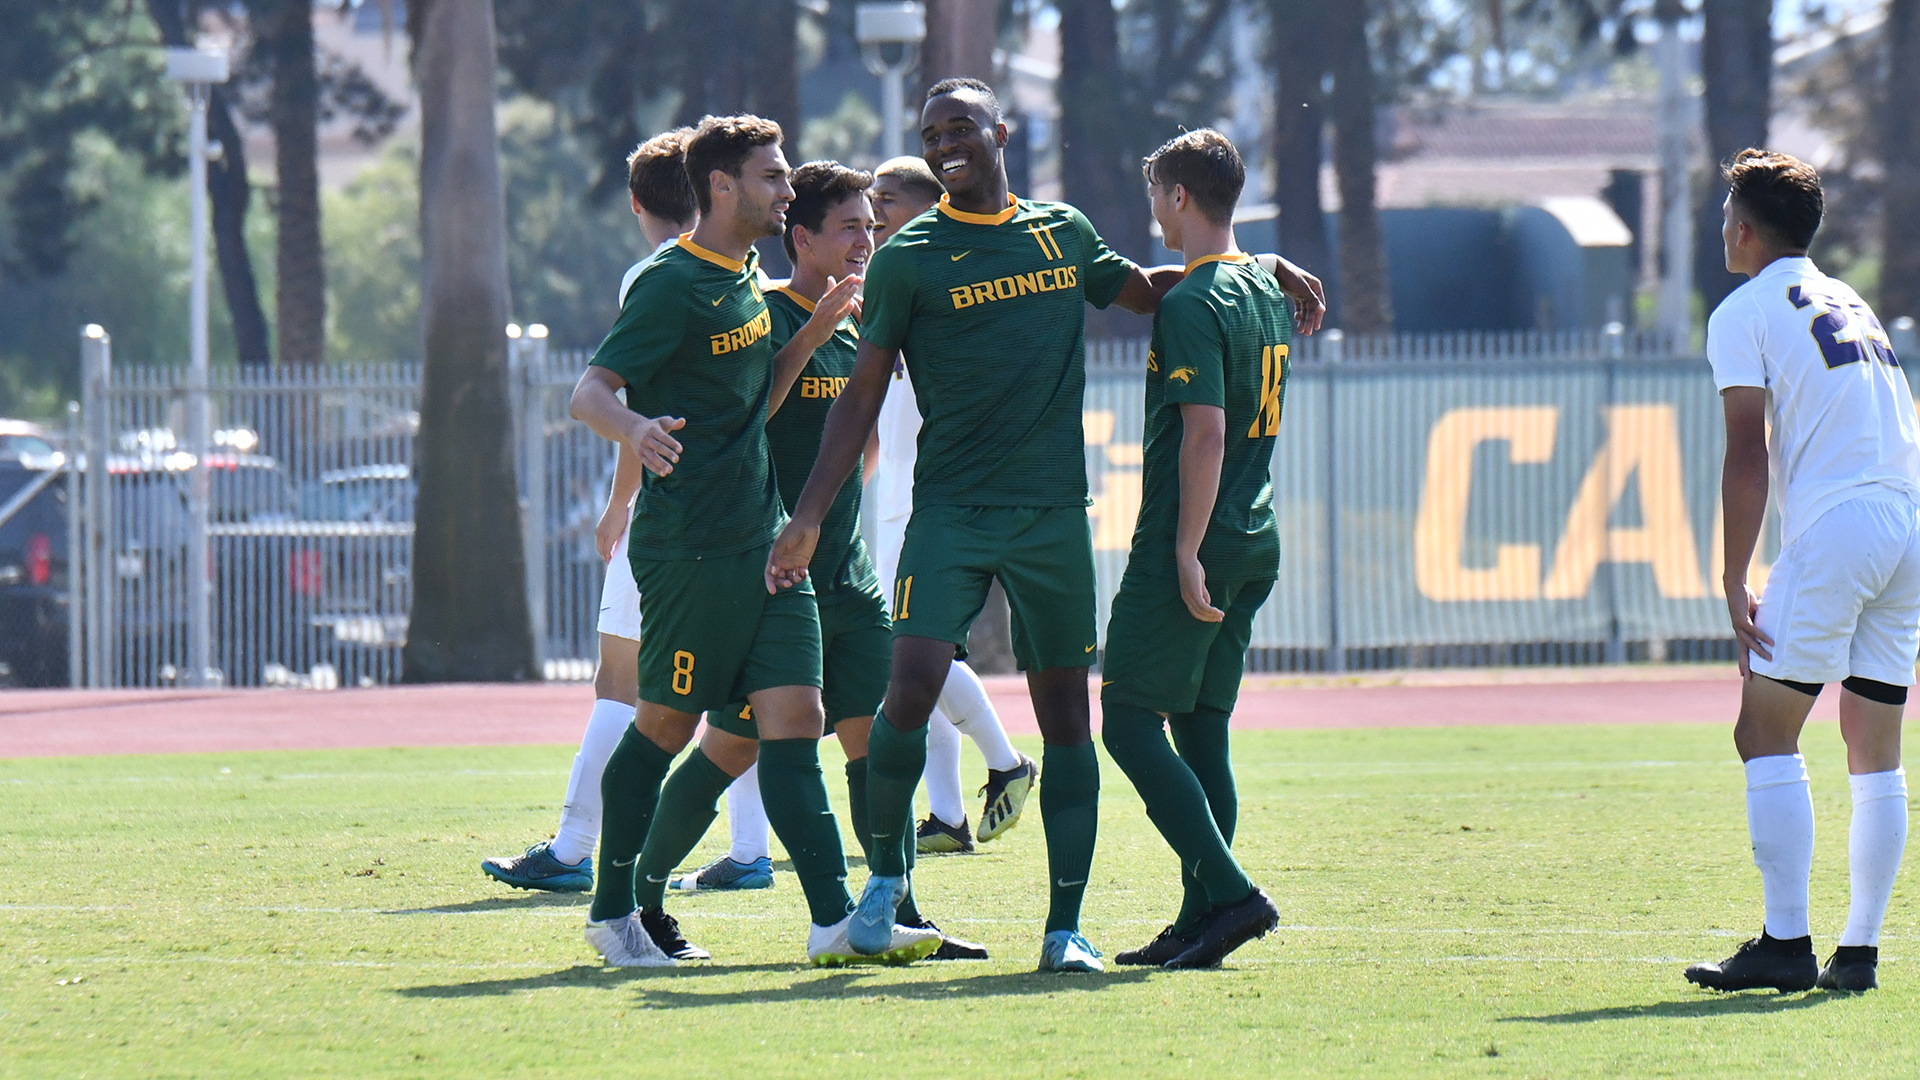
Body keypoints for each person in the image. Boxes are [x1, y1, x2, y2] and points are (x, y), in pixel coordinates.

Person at [767, 78, 1322, 972]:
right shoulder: (911, 257)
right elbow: (861, 397)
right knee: (905, 691)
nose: (946, 142)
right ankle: (887, 888)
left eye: (961, 127)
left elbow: (1144, 289)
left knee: (1067, 722)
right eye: (931, 132)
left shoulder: (1060, 231)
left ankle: (1065, 930)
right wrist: (808, 515)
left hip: (1054, 515)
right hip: (951, 511)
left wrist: (1250, 266)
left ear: (1000, 131)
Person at [567, 114, 939, 968]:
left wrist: (806, 339)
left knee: (795, 718)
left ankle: (833, 921)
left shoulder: (742, 274)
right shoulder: (670, 283)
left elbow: (750, 410)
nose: (784, 188)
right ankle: (614, 908)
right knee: (663, 726)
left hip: (763, 543)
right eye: (771, 177)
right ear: (722, 187)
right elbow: (588, 391)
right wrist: (636, 427)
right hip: (689, 550)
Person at [1684, 149, 1919, 994]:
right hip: (1905, 521)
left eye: (1723, 216)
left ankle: (1786, 944)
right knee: (1874, 746)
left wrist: (1730, 574)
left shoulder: (1742, 308)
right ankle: (1858, 952)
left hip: (1840, 527)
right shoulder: (1848, 296)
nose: (1721, 229)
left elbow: (1748, 451)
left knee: (1763, 731)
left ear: (1743, 229)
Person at [480, 127, 697, 894]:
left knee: (620, 680)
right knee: (741, 691)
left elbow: (629, 402)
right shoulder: (748, 272)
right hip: (741, 505)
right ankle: (748, 851)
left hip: (673, 510)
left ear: (638, 204)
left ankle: (573, 848)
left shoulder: (653, 273)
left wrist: (618, 505)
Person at [1100, 129, 1289, 969]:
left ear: (1179, 197)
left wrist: (1182, 550)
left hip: (1202, 538)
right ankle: (1199, 920)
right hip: (1255, 535)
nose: (1152, 211)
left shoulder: (1189, 302)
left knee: (1129, 724)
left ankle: (1232, 895)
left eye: (1155, 194)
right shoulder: (1266, 285)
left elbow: (1204, 434)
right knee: (1201, 729)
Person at [869, 156, 1036, 857]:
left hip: (924, 499)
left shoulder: (934, 275)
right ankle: (944, 815)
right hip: (896, 495)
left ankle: (1005, 761)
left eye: (886, 201)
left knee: (914, 652)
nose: (873, 214)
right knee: (915, 664)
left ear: (928, 206)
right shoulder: (897, 275)